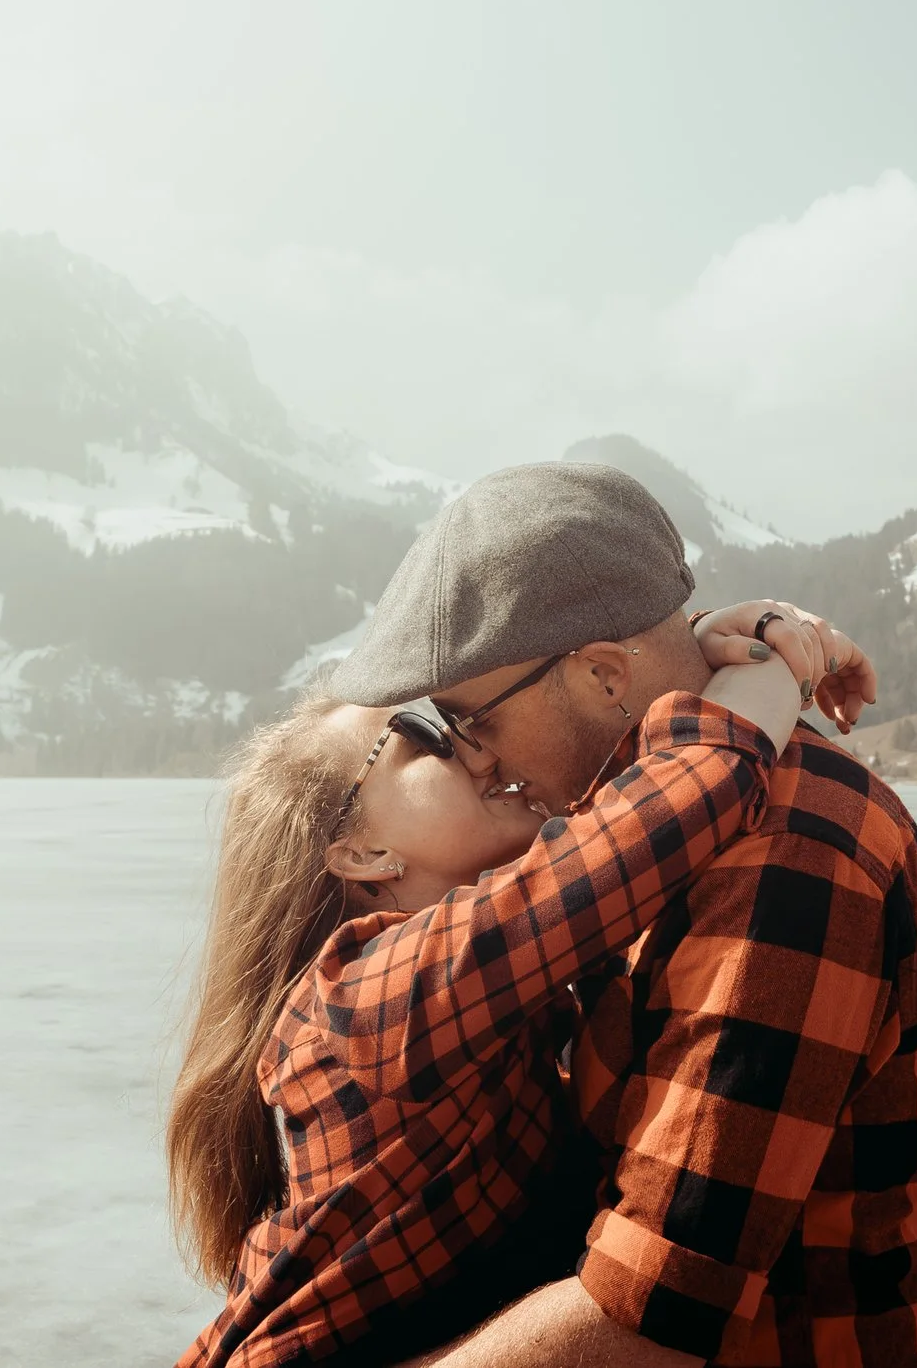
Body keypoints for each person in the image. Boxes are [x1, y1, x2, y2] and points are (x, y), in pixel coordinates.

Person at [334, 463, 917, 1368]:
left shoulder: (781, 865)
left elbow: (648, 1321)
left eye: (467, 720)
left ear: (605, 676)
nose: (474, 761)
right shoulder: (654, 825)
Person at [168, 559, 859, 1361]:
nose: (478, 749)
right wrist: (769, 672)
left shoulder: (490, 984)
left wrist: (666, 662)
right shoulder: (365, 999)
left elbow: (601, 823)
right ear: (361, 851)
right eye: (426, 732)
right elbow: (654, 825)